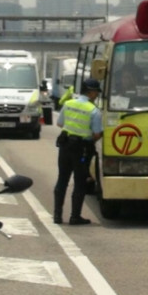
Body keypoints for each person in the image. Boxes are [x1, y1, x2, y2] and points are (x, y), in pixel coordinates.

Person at [54, 78, 103, 225]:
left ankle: (57, 216)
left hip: (65, 146)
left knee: (62, 180)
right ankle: (75, 216)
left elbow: (60, 123)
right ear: (91, 92)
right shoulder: (93, 110)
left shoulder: (68, 104)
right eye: (96, 92)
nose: (97, 95)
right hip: (82, 150)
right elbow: (96, 134)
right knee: (80, 183)